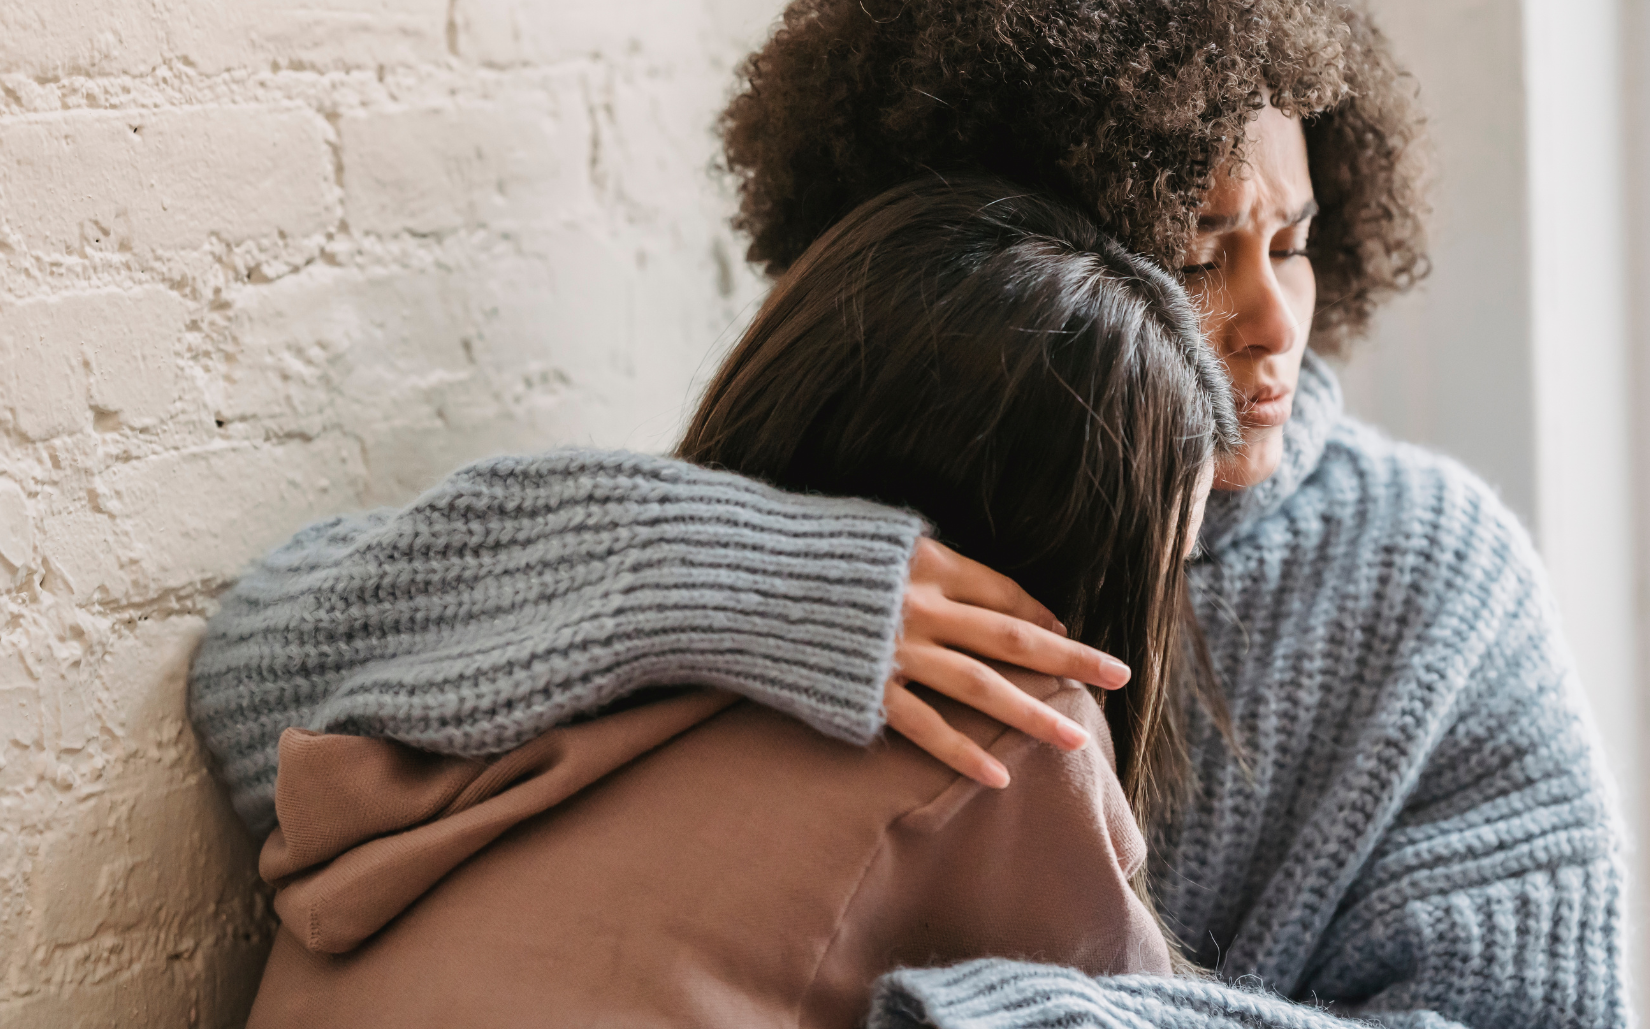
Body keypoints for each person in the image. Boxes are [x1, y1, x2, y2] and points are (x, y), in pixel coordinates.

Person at [192, 0, 1628, 1028]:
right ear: (1023, 259)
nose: (1272, 322)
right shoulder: (822, 503)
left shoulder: (1429, 576)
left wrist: (1032, 1010)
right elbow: (258, 684)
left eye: (1294, 241)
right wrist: (756, 573)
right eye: (1194, 252)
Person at [240, 180, 1233, 1027]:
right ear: (1092, 557)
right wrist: (805, 579)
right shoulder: (1010, 722)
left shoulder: (563, 649)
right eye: (1165, 566)